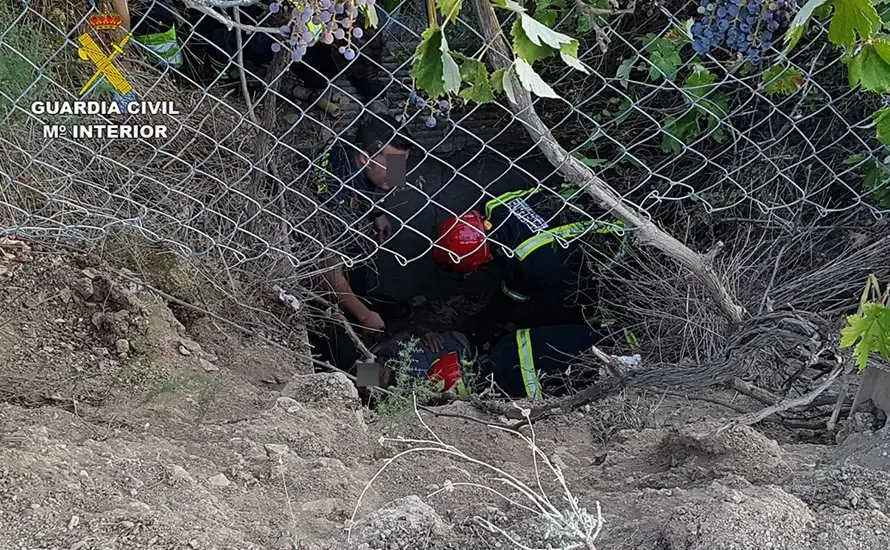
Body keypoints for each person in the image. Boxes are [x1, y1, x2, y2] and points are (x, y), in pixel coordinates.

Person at [432, 183, 629, 330]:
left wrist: (479, 324)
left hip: (622, 239)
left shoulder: (526, 266)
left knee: (562, 309)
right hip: (605, 193)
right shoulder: (495, 203)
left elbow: (509, 301)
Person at [315, 113, 413, 332]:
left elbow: (383, 182)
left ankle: (363, 297)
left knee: (358, 260)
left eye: (402, 162)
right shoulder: (340, 201)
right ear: (364, 159)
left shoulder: (352, 143)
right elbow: (328, 271)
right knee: (349, 265)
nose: (400, 174)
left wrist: (377, 212)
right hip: (322, 230)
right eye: (393, 164)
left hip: (344, 212)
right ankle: (354, 315)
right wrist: (364, 315)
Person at [373, 324, 614, 400]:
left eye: (378, 371)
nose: (380, 374)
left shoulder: (388, 351)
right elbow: (360, 381)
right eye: (377, 380)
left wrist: (427, 333)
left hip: (471, 344)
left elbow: (411, 328)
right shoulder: (403, 394)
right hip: (472, 379)